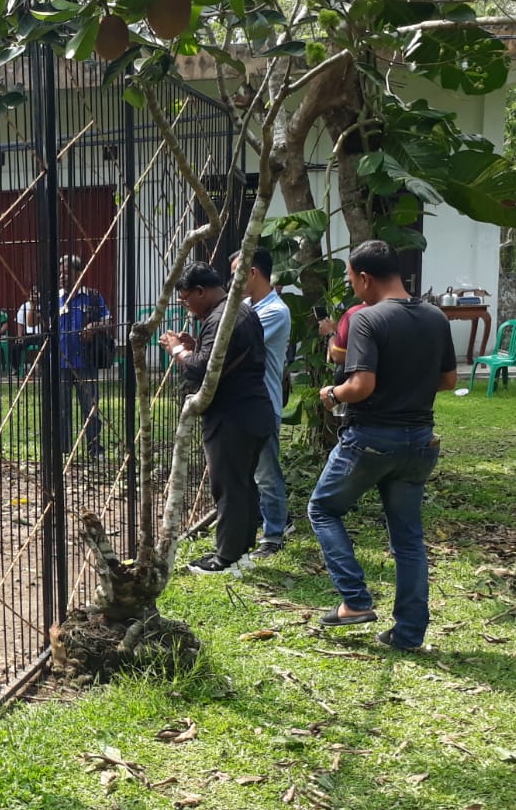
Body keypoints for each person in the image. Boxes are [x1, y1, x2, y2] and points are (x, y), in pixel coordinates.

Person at [309, 240, 457, 652]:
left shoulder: (366, 319)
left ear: (364, 277)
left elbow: (361, 386)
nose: (353, 286)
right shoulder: (435, 316)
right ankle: (408, 634)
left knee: (322, 509)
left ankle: (355, 600)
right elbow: (448, 380)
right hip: (420, 441)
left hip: (371, 439)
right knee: (408, 538)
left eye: (351, 279)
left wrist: (332, 394)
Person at [159, 261, 276, 574]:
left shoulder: (222, 317)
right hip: (253, 410)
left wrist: (177, 350)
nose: (186, 306)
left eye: (186, 299)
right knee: (243, 484)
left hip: (232, 416)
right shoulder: (240, 310)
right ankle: (242, 551)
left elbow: (202, 368)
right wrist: (195, 346)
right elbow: (220, 359)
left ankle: (225, 558)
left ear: (200, 291)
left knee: (228, 487)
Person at [235, 248, 291, 558]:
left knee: (267, 474)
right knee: (248, 472)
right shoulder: (246, 306)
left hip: (264, 403)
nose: (233, 280)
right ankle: (266, 521)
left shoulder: (275, 311)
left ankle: (274, 536)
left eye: (237, 272)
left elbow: (236, 342)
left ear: (253, 272)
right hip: (243, 402)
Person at [57, 255, 113, 458]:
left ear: (79, 273)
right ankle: (64, 450)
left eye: (66, 272)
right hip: (61, 363)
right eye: (60, 273)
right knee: (62, 409)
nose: (62, 276)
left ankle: (94, 448)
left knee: (90, 407)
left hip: (86, 362)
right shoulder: (54, 299)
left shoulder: (92, 297)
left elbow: (109, 321)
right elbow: (36, 323)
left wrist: (94, 326)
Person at [15, 284, 45, 374]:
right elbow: (20, 323)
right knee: (16, 346)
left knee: (44, 345)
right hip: (28, 335)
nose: (34, 295)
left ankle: (41, 366)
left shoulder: (45, 305)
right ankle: (16, 368)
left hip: (41, 334)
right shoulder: (24, 306)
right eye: (33, 293)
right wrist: (20, 337)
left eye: (36, 293)